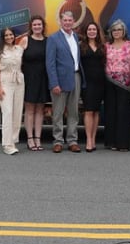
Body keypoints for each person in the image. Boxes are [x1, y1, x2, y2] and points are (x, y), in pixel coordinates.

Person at [45, 11, 81, 153]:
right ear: (60, 21)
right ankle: (58, 141)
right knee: (58, 112)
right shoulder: (53, 38)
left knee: (74, 112)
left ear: (74, 21)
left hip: (76, 77)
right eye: (65, 20)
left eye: (70, 20)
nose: (67, 22)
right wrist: (54, 83)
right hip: (59, 80)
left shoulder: (76, 37)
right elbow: (50, 63)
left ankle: (72, 141)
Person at [103, 19, 130, 151]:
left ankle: (124, 143)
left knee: (124, 112)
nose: (116, 32)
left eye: (119, 29)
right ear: (111, 32)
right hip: (109, 82)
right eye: (114, 30)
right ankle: (111, 142)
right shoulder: (106, 46)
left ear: (124, 31)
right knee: (111, 112)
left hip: (126, 84)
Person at [0, 27, 24, 155]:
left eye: (11, 34)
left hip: (19, 81)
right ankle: (7, 145)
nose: (9, 37)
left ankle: (13, 140)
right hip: (5, 81)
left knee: (17, 111)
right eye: (6, 35)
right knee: (8, 112)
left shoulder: (19, 49)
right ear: (2, 37)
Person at [19, 15, 49, 151]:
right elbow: (17, 60)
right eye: (35, 25)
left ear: (43, 26)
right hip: (29, 79)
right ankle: (30, 138)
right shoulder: (25, 40)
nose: (37, 27)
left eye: (39, 24)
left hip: (43, 78)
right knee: (30, 109)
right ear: (31, 27)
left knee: (40, 110)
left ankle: (38, 138)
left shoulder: (48, 41)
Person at [79, 22, 106, 152]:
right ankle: (88, 140)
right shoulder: (81, 46)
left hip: (100, 82)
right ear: (86, 31)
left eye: (94, 29)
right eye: (89, 29)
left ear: (97, 31)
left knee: (96, 111)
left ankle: (94, 139)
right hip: (87, 83)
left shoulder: (102, 46)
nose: (91, 31)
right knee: (88, 111)